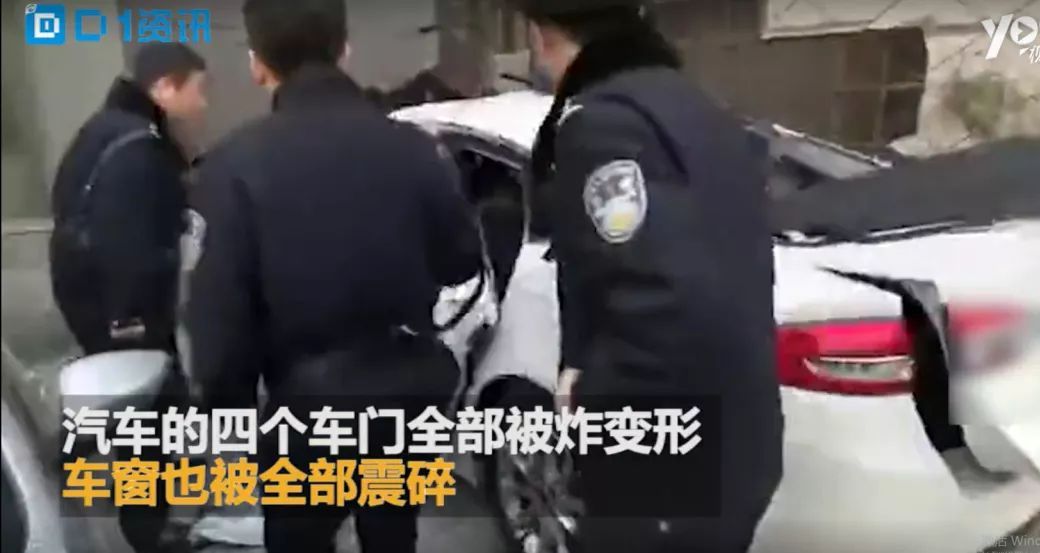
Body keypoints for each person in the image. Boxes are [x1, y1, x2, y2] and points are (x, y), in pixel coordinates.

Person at [184, 1, 482, 552]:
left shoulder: (231, 166)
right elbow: (460, 262)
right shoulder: (414, 148)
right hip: (404, 396)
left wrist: (229, 417)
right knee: (393, 535)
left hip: (304, 411)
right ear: (344, 50)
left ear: (257, 64)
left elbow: (220, 319)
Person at [511, 1, 784, 552]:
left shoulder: (600, 123)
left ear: (542, 36)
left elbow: (656, 295)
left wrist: (593, 396)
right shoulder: (697, 105)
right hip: (742, 434)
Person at [48, 42, 207, 553]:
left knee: (146, 419)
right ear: (164, 87)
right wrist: (134, 324)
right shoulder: (137, 148)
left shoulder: (104, 130)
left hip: (94, 303)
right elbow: (130, 245)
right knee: (148, 424)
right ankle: (147, 532)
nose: (202, 103)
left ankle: (147, 518)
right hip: (125, 313)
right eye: (197, 89)